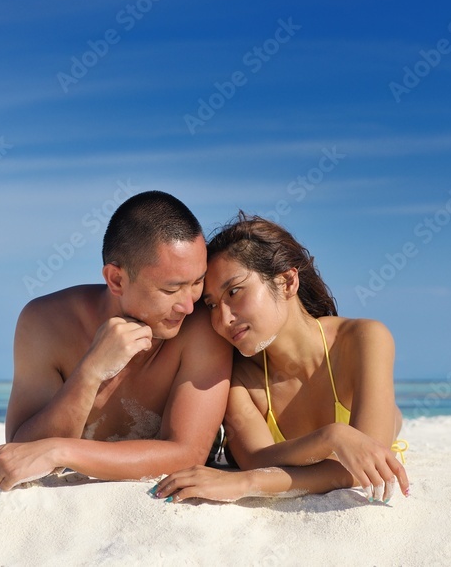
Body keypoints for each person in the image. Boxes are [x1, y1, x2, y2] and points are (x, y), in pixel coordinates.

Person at [0, 191, 232, 490]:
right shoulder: (45, 323)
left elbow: (188, 454)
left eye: (197, 282)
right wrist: (91, 372)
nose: (189, 305)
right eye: (171, 289)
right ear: (116, 280)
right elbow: (23, 450)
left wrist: (61, 450)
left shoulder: (201, 324)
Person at [152, 214, 409, 504]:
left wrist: (246, 483)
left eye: (234, 291)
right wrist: (332, 438)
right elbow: (256, 459)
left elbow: (366, 462)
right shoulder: (238, 376)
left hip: (381, 428)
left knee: (392, 418)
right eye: (211, 304)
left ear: (287, 281)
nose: (223, 319)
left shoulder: (363, 339)